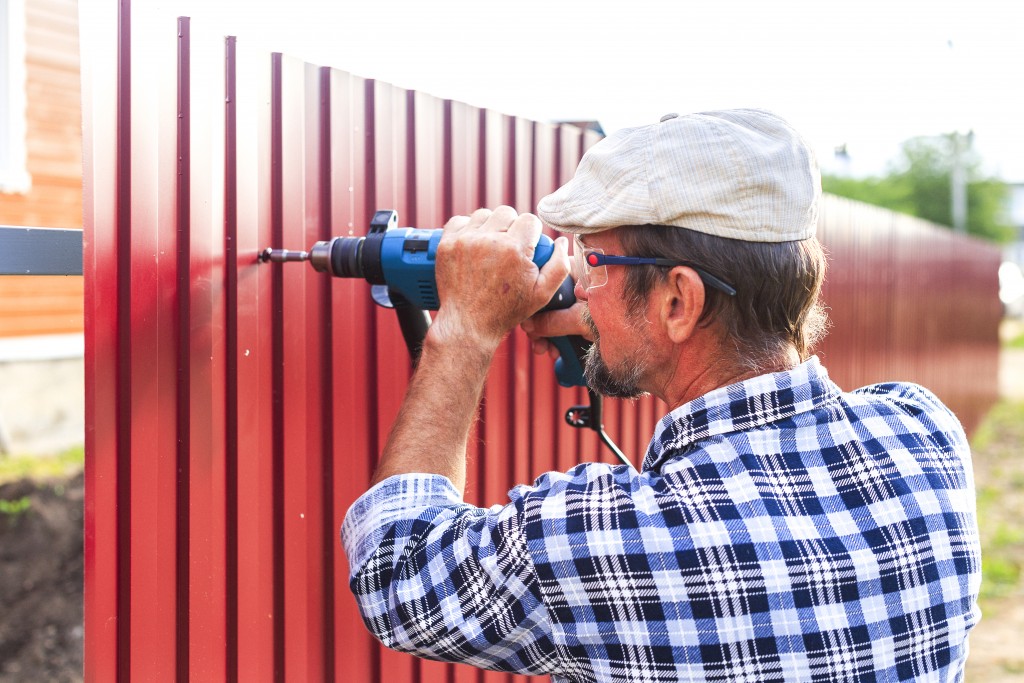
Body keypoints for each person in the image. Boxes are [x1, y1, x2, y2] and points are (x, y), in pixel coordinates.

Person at [341, 109, 981, 682]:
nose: (580, 284)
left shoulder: (605, 542)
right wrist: (627, 324)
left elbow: (399, 574)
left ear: (680, 301)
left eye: (594, 262)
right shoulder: (922, 433)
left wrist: (465, 329)